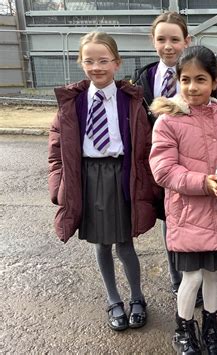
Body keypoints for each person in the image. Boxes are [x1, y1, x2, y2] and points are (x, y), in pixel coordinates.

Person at [48, 31, 158, 331]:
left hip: (122, 174)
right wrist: (58, 184)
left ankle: (137, 298)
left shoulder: (131, 100)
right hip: (88, 176)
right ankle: (113, 300)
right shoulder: (72, 103)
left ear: (117, 63)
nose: (96, 67)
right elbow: (56, 148)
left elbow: (147, 144)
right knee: (101, 244)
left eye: (103, 60)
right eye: (89, 61)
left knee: (125, 244)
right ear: (80, 63)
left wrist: (147, 183)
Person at [149, 45, 217, 355]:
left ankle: (212, 325)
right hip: (187, 213)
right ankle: (184, 327)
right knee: (190, 277)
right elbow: (163, 171)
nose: (192, 87)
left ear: (214, 82)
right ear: (177, 81)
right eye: (185, 80)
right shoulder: (167, 120)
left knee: (214, 274)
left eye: (200, 79)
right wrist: (202, 183)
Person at [131, 12, 204, 306]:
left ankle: (197, 276)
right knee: (169, 220)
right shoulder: (145, 77)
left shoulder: (197, 75)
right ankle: (179, 280)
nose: (168, 46)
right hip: (159, 164)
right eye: (161, 39)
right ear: (153, 41)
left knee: (195, 220)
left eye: (175, 39)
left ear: (187, 41)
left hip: (193, 163)